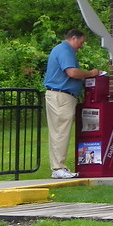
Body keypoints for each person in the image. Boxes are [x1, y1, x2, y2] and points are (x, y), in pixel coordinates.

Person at [44, 29, 100, 179]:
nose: (81, 46)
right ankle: (59, 168)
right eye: (81, 43)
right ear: (73, 38)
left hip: (58, 95)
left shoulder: (60, 50)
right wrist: (91, 73)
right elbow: (72, 73)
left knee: (58, 132)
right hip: (62, 96)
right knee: (61, 132)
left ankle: (58, 167)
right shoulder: (65, 50)